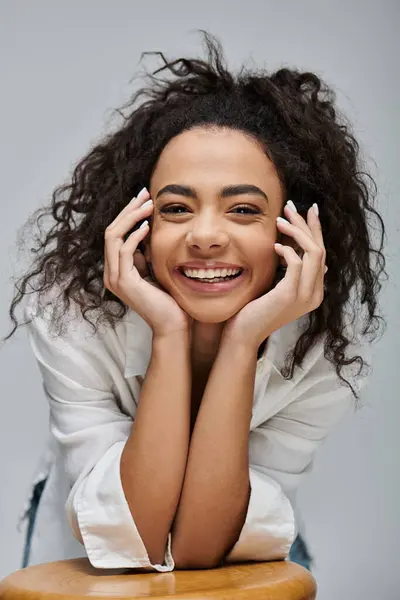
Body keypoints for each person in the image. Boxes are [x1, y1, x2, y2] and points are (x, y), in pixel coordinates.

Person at [4, 31, 386, 573]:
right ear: (139, 224)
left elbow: (196, 550)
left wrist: (241, 343)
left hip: (237, 555)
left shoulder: (325, 353)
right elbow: (133, 536)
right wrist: (169, 332)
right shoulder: (75, 315)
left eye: (244, 211)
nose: (205, 236)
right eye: (177, 209)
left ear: (294, 231)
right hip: (87, 562)